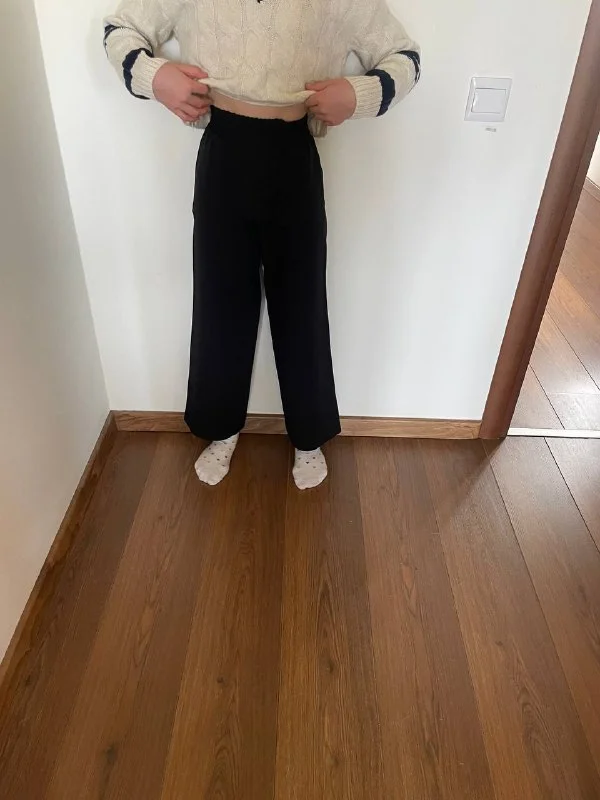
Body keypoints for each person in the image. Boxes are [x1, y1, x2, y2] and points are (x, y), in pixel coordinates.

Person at [103, 0, 420, 490]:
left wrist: (359, 94)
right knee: (221, 300)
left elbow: (404, 57)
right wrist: (156, 77)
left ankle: (308, 434)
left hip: (293, 153)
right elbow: (119, 30)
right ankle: (220, 426)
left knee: (301, 302)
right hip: (224, 149)